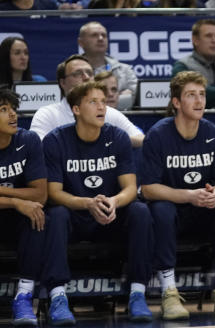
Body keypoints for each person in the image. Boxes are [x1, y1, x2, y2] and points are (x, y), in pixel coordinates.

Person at [42, 80, 154, 324]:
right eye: (93, 102)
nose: (101, 107)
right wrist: (86, 203)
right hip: (76, 214)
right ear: (76, 109)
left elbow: (130, 188)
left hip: (109, 215)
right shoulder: (56, 140)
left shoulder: (118, 137)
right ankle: (58, 296)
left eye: (103, 102)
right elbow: (53, 192)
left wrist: (113, 201)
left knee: (139, 211)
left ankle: (138, 292)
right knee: (56, 214)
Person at [140, 71, 215, 319]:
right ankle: (169, 293)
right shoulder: (158, 134)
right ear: (176, 102)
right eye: (191, 95)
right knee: (161, 209)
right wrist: (188, 195)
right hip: (175, 210)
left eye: (201, 95)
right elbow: (148, 188)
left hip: (203, 209)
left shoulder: (213, 132)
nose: (199, 101)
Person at [0, 87, 51, 326]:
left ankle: (24, 296)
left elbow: (40, 194)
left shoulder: (28, 140)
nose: (13, 115)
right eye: (3, 110)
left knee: (37, 214)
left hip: (18, 216)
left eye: (13, 109)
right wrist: (15, 200)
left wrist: (6, 194)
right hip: (9, 208)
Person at [30, 54, 144, 144]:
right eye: (77, 74)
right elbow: (36, 147)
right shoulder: (47, 114)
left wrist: (114, 140)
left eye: (90, 73)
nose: (86, 77)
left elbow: (141, 139)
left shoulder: (108, 112)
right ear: (63, 82)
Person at [76, 21, 137, 99]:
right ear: (81, 42)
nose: (101, 38)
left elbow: (135, 94)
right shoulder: (72, 71)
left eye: (104, 35)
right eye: (94, 35)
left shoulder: (125, 70)